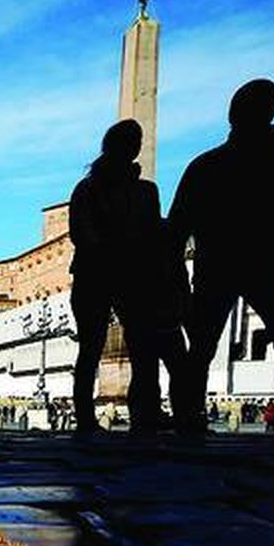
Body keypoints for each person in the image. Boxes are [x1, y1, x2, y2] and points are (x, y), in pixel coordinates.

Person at [168, 79, 274, 434]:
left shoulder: (205, 165)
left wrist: (176, 275)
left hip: (221, 264)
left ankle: (189, 415)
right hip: (264, 263)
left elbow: (177, 229)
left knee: (204, 345)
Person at [68, 119, 190, 434]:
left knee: (132, 347)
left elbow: (86, 234)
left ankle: (140, 414)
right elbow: (83, 234)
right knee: (106, 347)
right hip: (107, 274)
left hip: (117, 276)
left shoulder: (140, 191)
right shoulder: (95, 189)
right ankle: (99, 417)